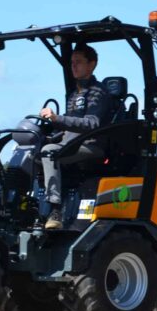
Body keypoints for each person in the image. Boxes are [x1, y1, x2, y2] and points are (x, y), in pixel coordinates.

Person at [38, 43, 110, 229]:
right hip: (70, 143)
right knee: (34, 151)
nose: (74, 66)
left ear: (92, 64)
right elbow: (68, 126)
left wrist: (57, 118)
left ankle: (54, 210)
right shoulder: (73, 94)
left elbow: (91, 123)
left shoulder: (98, 92)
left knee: (49, 153)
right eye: (71, 63)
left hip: (90, 145)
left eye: (78, 62)